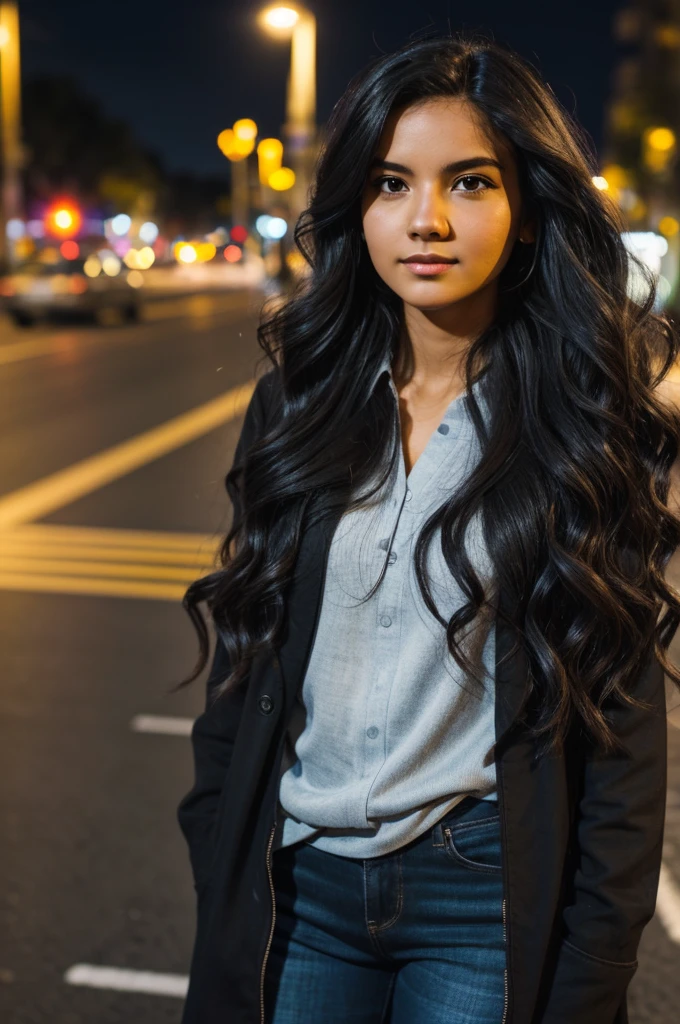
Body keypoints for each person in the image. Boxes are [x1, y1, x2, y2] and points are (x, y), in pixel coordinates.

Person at [174, 32, 680, 1024]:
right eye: (392, 183)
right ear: (357, 206)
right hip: (302, 888)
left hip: (480, 900)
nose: (427, 219)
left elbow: (620, 736)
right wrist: (214, 837)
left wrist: (588, 971)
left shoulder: (578, 421)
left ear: (527, 212)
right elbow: (248, 650)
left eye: (471, 182)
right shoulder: (299, 404)